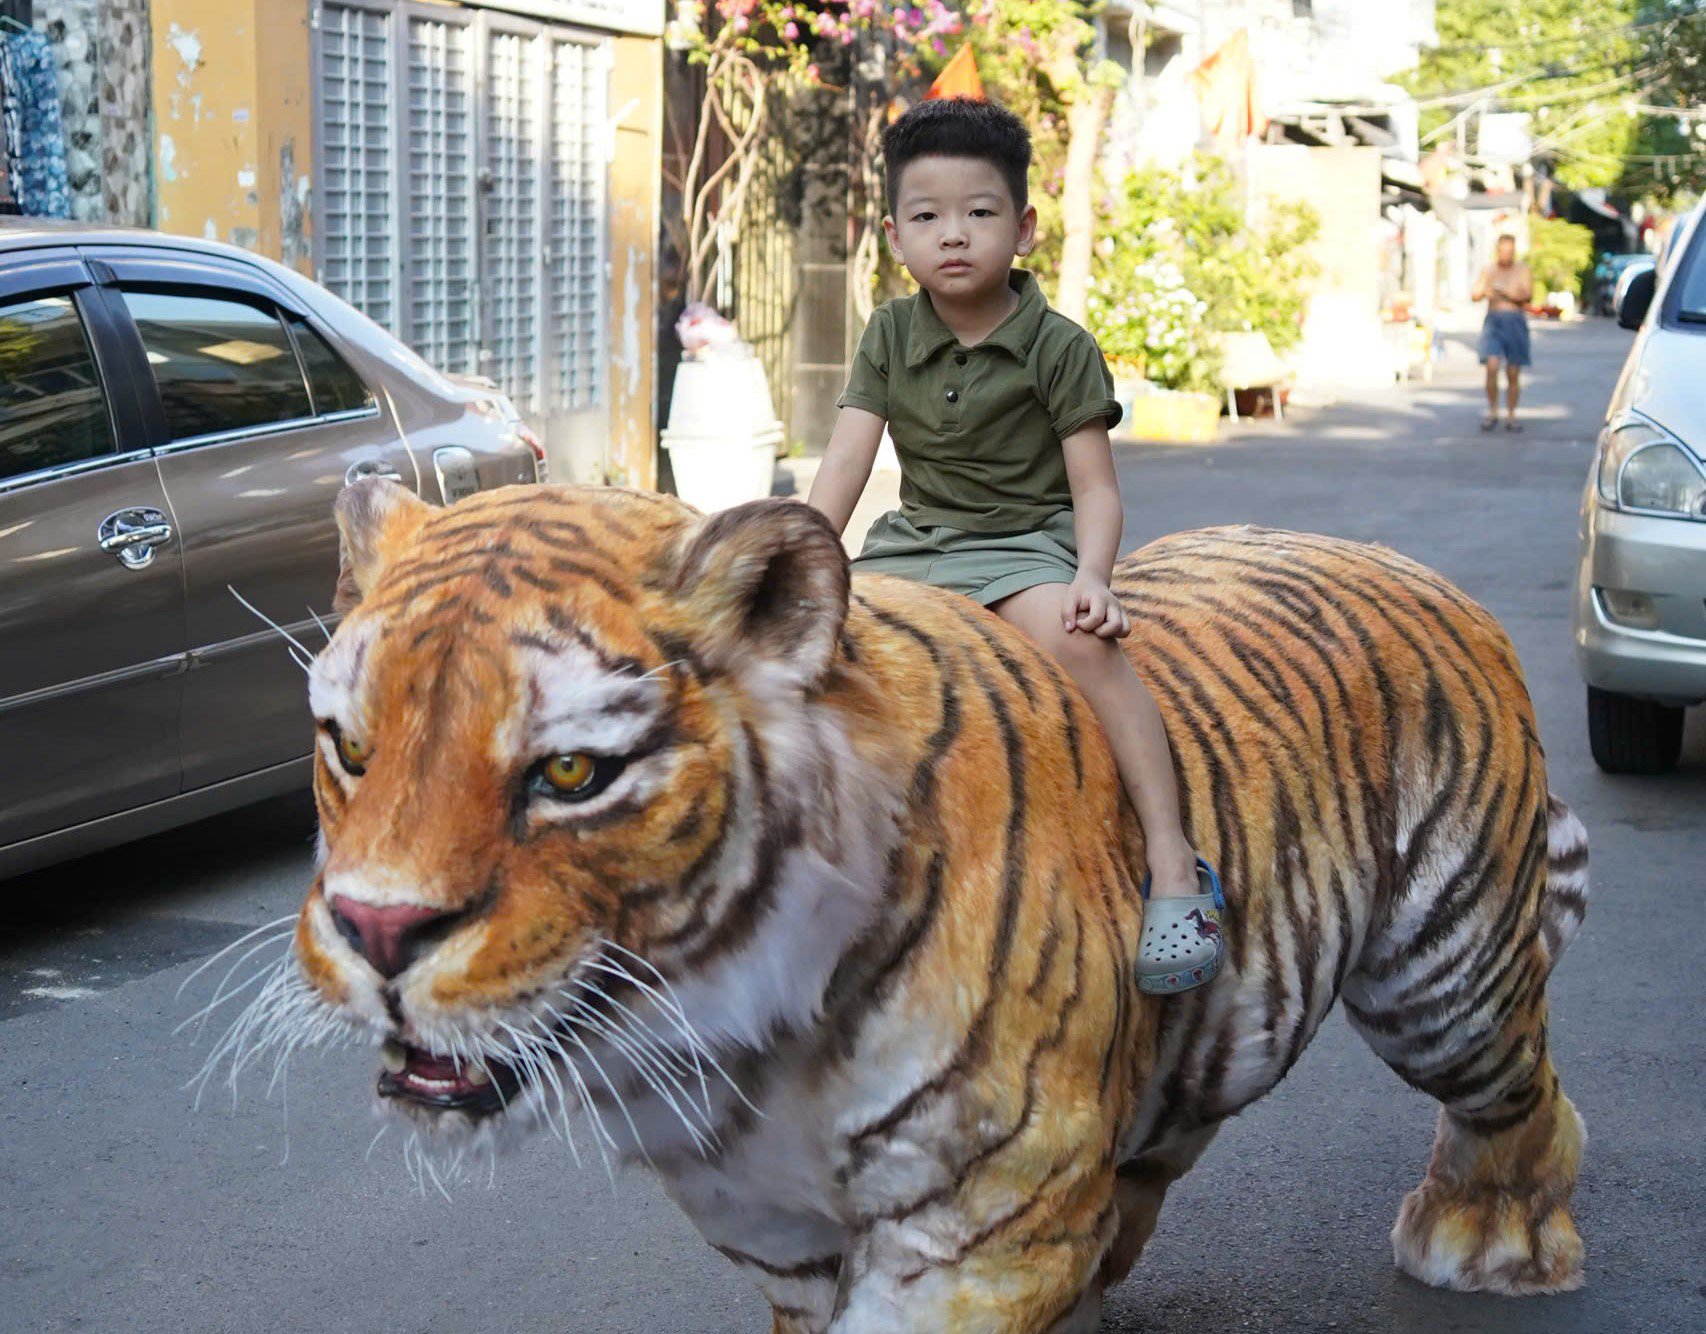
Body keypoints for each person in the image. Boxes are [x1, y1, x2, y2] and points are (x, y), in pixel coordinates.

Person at [805, 97, 1223, 995]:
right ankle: (827, 878)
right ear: (895, 235)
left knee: (1085, 647)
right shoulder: (887, 333)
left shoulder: (1058, 347)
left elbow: (1095, 487)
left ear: (1024, 227)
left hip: (1024, 545)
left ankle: (1175, 866)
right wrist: (805, 555)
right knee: (808, 662)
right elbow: (847, 457)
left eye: (979, 212)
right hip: (914, 544)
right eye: (927, 217)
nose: (953, 235)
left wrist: (1094, 578)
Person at [1472, 234, 1534, 432]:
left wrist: (1507, 293)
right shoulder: (1489, 270)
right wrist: (1486, 292)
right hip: (1494, 321)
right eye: (1502, 250)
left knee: (1513, 372)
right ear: (1497, 250)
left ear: (1514, 251)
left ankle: (1511, 415)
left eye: (1509, 251)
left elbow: (1528, 295)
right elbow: (1474, 294)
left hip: (1515, 321)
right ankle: (1493, 411)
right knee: (1491, 366)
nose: (1505, 255)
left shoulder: (1522, 270)